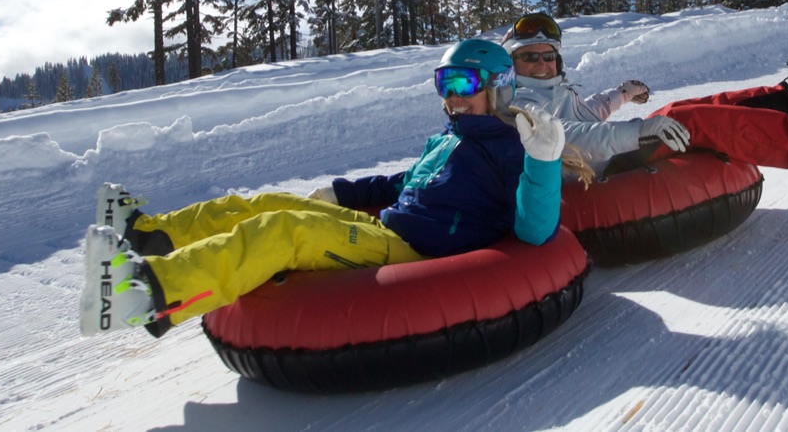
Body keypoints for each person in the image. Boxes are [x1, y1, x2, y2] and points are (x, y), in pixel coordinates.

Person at [80, 39, 566, 339]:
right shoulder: (450, 136)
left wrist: (542, 162)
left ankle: (149, 293)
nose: (453, 96)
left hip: (414, 252)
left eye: (465, 83)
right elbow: (403, 182)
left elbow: (534, 229)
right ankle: (147, 235)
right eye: (444, 82)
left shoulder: (510, 147)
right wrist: (343, 193)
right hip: (385, 226)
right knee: (269, 202)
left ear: (499, 87)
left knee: (284, 230)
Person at [502, 12, 788, 175]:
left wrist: (623, 94)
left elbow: (588, 115)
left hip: (606, 156)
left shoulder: (552, 90)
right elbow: (573, 136)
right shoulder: (521, 104)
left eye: (548, 55)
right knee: (685, 120)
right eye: (530, 57)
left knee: (679, 107)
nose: (542, 63)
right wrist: (639, 130)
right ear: (513, 64)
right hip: (598, 174)